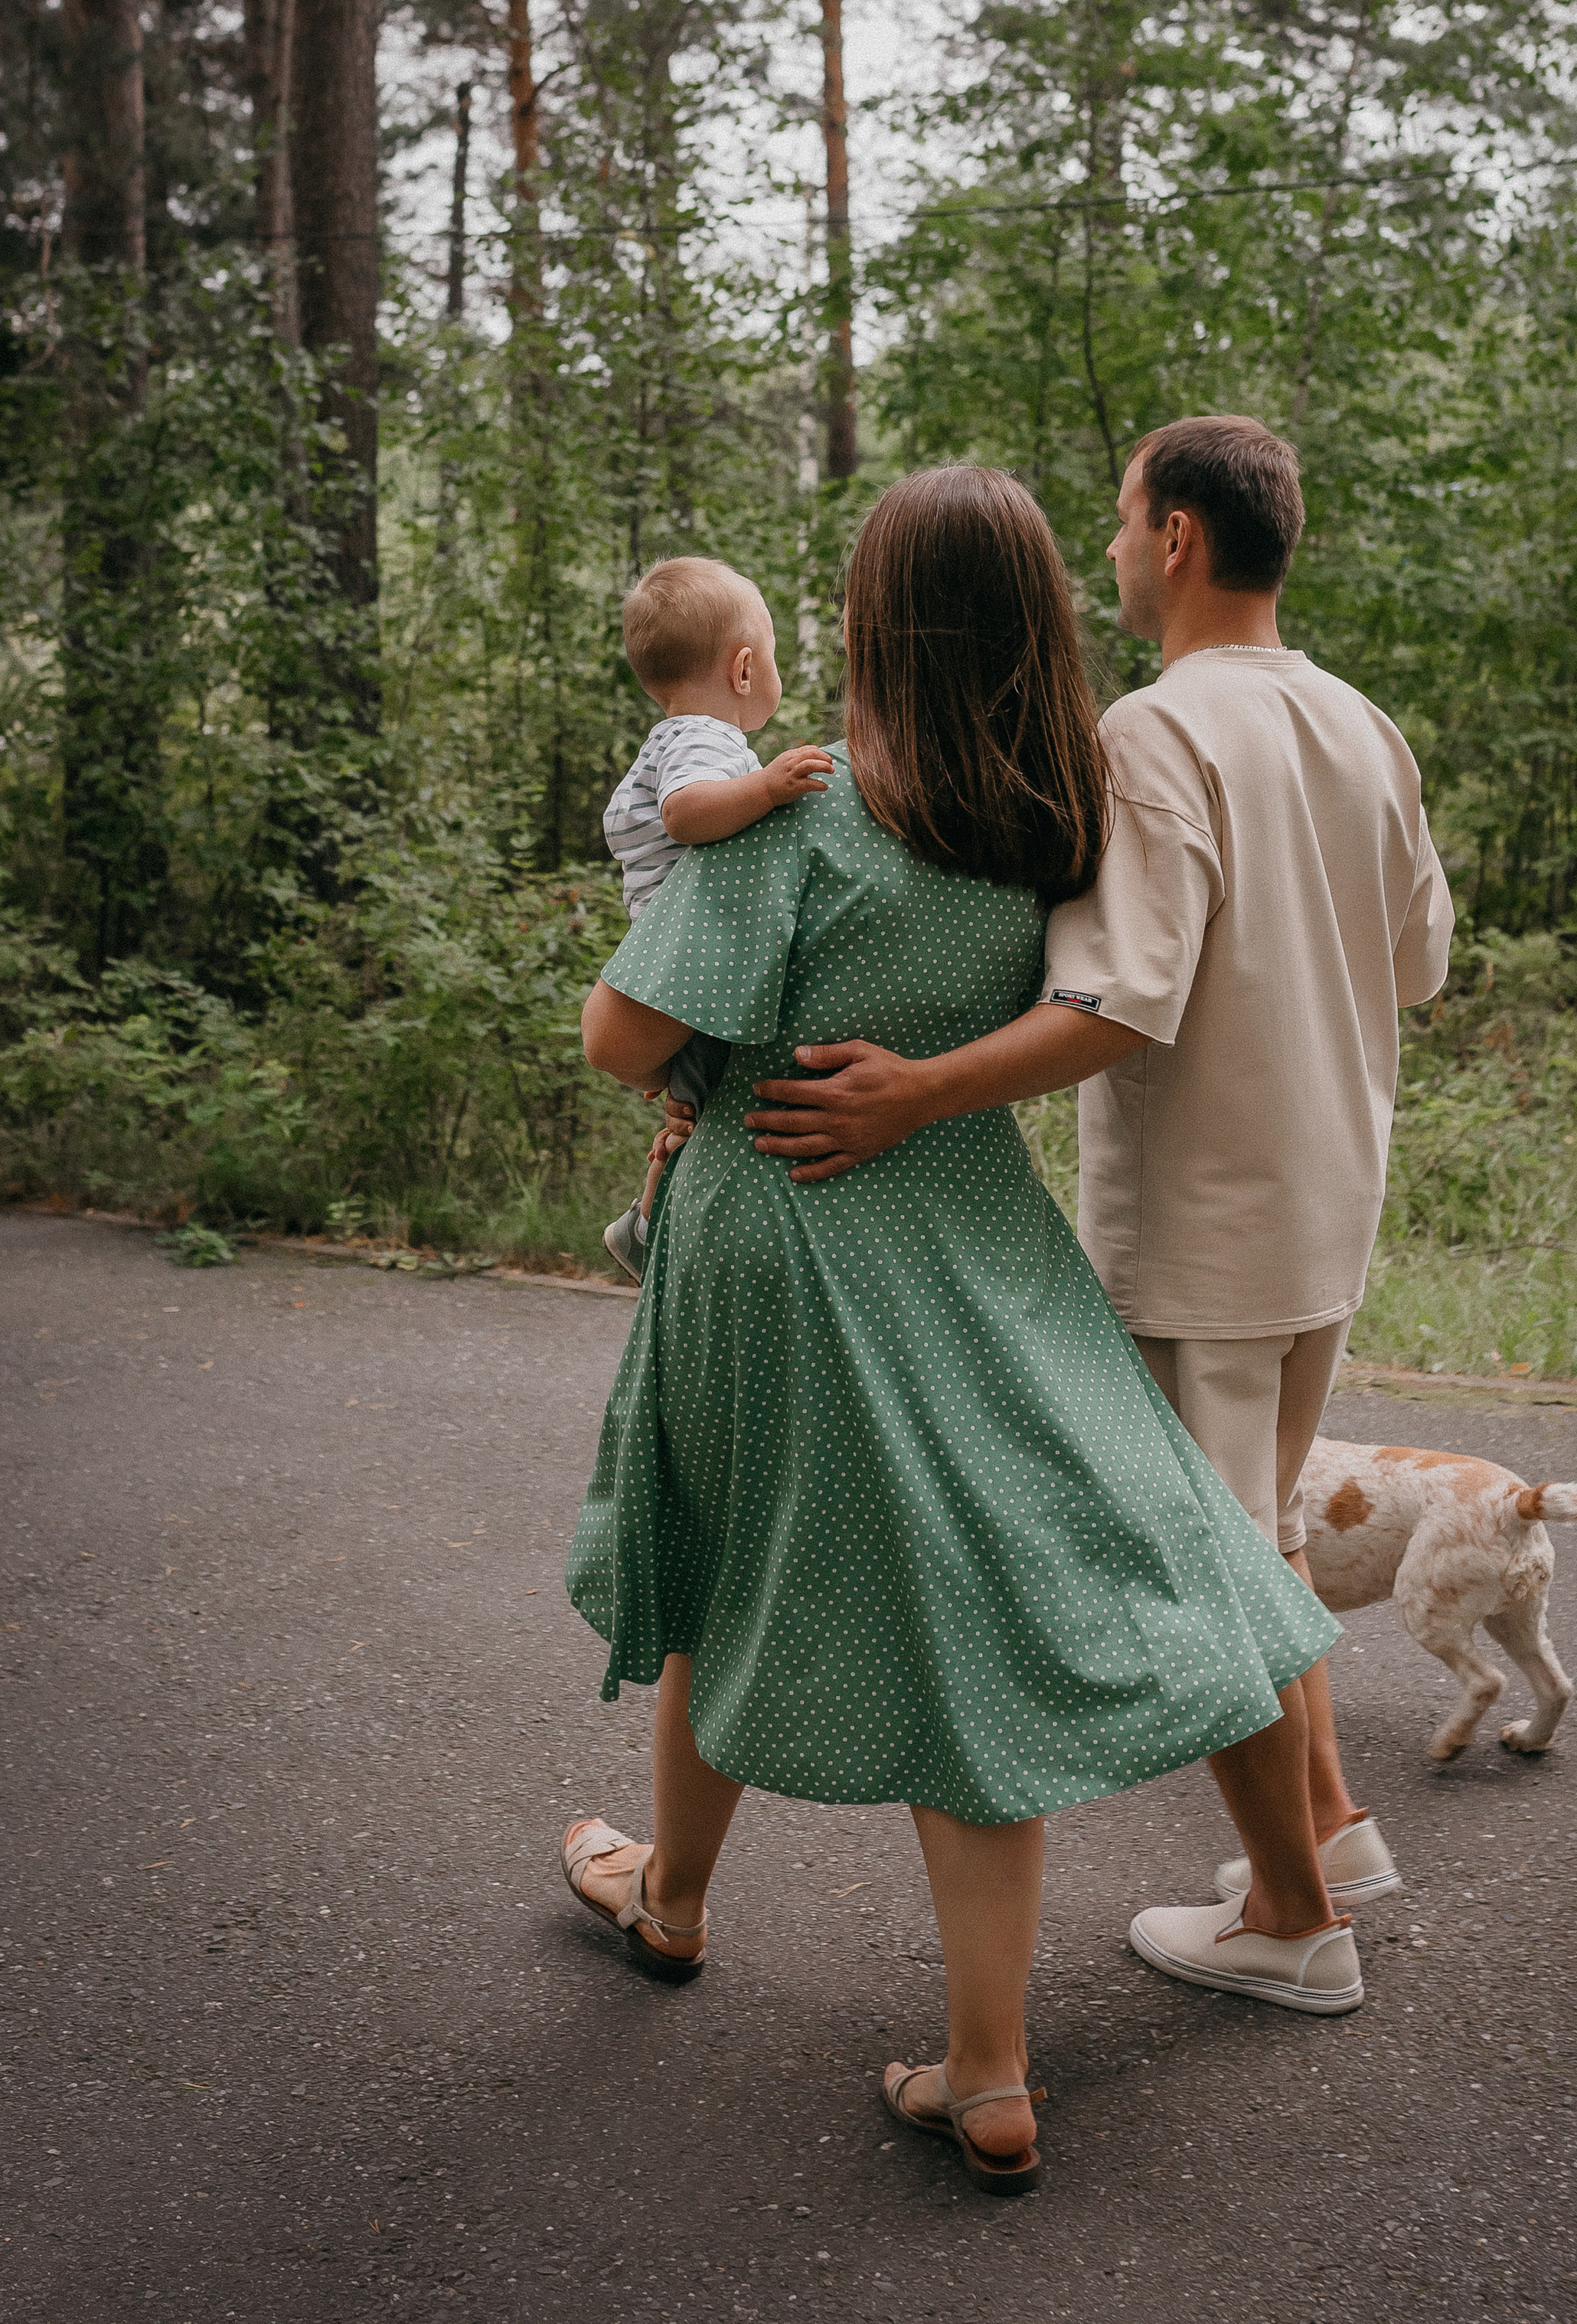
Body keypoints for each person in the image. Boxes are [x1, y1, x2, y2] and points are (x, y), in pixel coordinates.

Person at [560, 466, 1365, 2203]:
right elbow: (1102, 1000)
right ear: (1032, 631)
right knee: (996, 1592)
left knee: (719, 1553)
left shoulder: (799, 814)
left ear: (863, 624)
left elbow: (618, 1034)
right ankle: (987, 2069)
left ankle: (674, 1900)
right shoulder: (1044, 822)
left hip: (778, 1214)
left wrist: (711, 1061)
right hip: (973, 1221)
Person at [741, 415, 1455, 1995]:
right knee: (1247, 1536)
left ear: (1180, 537)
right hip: (1329, 1205)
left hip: (1201, 1222)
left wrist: (909, 1088)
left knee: (1198, 1571)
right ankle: (1329, 1832)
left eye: (1124, 524)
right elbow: (1421, 964)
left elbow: (1122, 1005)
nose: (1112, 553)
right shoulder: (1359, 724)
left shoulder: (1152, 732)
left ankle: (1294, 1930)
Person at [597, 555, 832, 1277]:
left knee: (691, 1106)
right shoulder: (703, 739)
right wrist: (765, 787)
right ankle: (644, 1227)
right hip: (687, 971)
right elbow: (687, 812)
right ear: (741, 670)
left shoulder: (684, 736)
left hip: (671, 967)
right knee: (700, 1113)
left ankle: (642, 1219)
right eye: (772, 656)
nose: (775, 672)